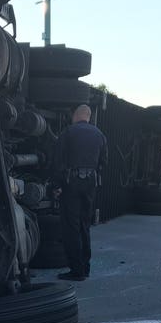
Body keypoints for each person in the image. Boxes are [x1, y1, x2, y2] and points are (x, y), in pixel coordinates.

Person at [53, 104, 107, 281]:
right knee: (85, 225)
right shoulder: (99, 134)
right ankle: (86, 267)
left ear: (76, 115)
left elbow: (58, 159)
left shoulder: (68, 132)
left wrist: (57, 185)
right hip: (90, 183)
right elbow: (103, 161)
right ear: (89, 116)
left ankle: (76, 270)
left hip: (71, 183)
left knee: (71, 227)